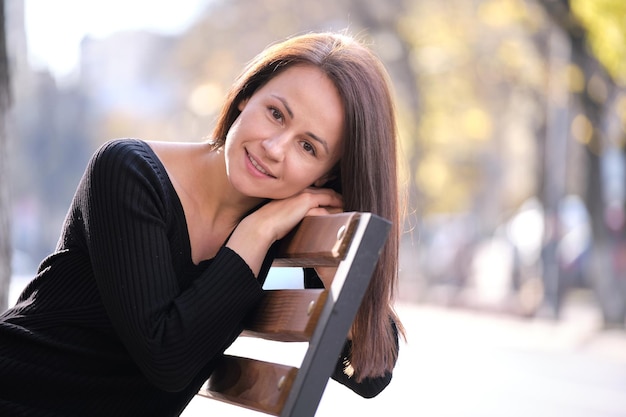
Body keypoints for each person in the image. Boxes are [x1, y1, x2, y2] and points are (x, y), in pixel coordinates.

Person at [0, 31, 405, 416]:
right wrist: (254, 233)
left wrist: (328, 260)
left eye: (307, 146)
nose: (274, 148)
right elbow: (167, 359)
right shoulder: (128, 173)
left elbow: (371, 374)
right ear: (246, 96)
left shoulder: (284, 253)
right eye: (276, 113)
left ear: (326, 177)